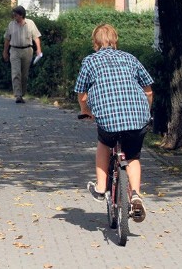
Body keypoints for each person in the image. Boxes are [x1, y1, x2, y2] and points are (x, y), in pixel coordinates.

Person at [74, 23, 153, 223]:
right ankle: (135, 194)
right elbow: (148, 89)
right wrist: (146, 110)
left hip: (109, 118)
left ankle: (101, 188)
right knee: (133, 156)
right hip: (137, 115)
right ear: (115, 41)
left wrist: (85, 111)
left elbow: (82, 93)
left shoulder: (90, 61)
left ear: (95, 43)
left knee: (104, 142)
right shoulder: (130, 58)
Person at [2, 6, 42, 103]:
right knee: (16, 73)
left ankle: (22, 93)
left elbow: (36, 37)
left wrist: (38, 50)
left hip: (27, 50)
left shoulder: (30, 23)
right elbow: (7, 39)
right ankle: (18, 95)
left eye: (15, 15)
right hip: (14, 50)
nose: (14, 16)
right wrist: (5, 52)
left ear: (21, 15)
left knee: (24, 75)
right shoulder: (11, 25)